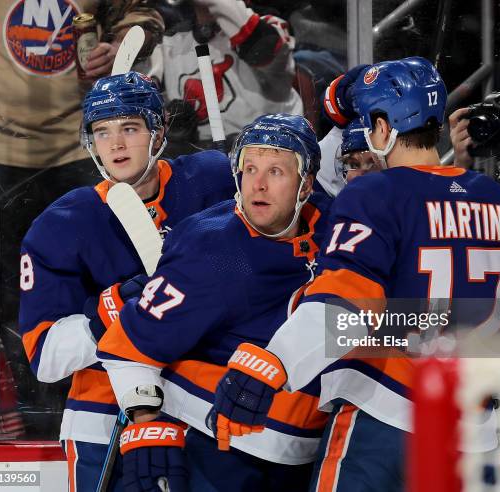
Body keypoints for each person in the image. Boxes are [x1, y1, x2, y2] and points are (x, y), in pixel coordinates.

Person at [206, 57, 500, 491]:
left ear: (381, 127)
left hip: (387, 417)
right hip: (473, 429)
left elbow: (347, 302)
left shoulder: (375, 192)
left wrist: (272, 364)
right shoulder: (497, 200)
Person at [18, 71, 234, 491]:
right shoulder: (62, 224)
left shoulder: (212, 179)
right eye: (102, 131)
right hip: (106, 417)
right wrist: (113, 307)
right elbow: (44, 357)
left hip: (209, 403)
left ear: (158, 132)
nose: (115, 144)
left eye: (129, 128)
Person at [96, 114, 333, 491]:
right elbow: (126, 348)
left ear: (305, 184)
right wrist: (146, 422)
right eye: (249, 168)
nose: (258, 185)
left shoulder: (334, 227)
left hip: (305, 452)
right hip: (216, 443)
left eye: (275, 171)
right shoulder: (212, 248)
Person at [0, 0, 166, 439]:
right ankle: (22, 420)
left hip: (84, 149)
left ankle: (101, 410)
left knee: (102, 288)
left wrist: (122, 46)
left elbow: (142, 13)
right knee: (0, 296)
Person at [157, 0, 303, 142]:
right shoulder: (170, 41)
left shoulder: (271, 27)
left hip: (267, 148)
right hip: (205, 157)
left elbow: (261, 50)